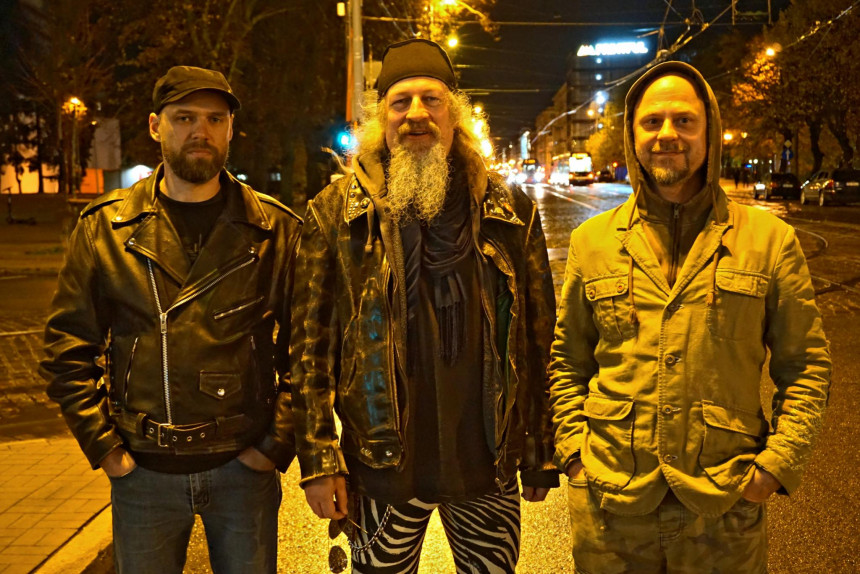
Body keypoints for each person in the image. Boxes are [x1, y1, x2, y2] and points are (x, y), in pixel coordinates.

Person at [549, 61, 831, 573]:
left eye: (684, 120)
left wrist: (776, 466)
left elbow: (806, 366)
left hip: (723, 510)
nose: (667, 134)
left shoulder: (769, 240)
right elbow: (568, 361)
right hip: (610, 507)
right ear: (632, 135)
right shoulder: (592, 241)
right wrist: (574, 455)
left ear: (710, 132)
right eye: (652, 122)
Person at [290, 39, 558, 573]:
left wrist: (540, 451)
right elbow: (308, 351)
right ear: (381, 122)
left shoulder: (509, 211)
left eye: (431, 100)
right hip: (381, 468)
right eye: (400, 102)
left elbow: (538, 338)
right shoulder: (335, 214)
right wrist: (320, 461)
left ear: (454, 116)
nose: (416, 114)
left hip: (487, 466)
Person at [40, 66, 301, 574]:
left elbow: (308, 351)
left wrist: (273, 446)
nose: (200, 131)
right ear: (156, 126)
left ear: (231, 129)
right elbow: (67, 348)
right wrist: (106, 449)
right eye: (184, 118)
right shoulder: (105, 228)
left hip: (243, 470)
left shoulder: (274, 230)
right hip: (144, 473)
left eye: (215, 118)